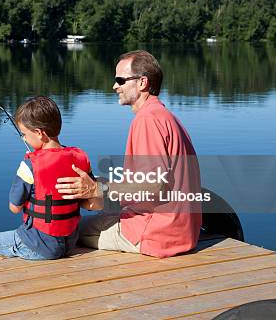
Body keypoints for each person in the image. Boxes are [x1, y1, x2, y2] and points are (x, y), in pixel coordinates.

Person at [56, 50, 202, 258]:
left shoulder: (147, 120)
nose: (115, 86)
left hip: (155, 233)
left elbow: (154, 185)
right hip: (183, 231)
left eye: (120, 80)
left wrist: (100, 188)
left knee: (66, 232)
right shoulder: (166, 117)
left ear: (142, 83)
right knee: (104, 210)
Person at [0, 96, 94, 260]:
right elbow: (89, 202)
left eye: (24, 134)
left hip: (39, 245)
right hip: (69, 243)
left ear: (39, 133)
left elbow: (14, 208)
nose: (23, 138)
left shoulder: (29, 165)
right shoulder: (81, 157)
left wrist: (29, 167)